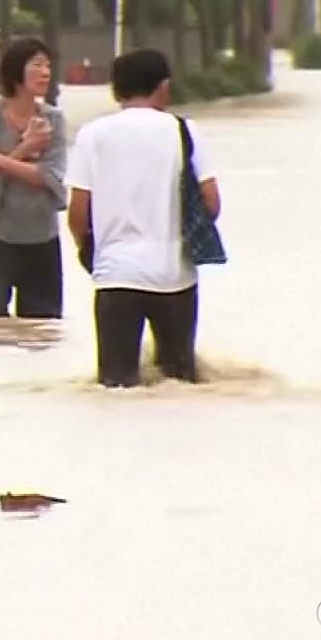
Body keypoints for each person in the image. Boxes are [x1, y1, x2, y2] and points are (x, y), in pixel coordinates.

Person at [65, 49, 222, 388]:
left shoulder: (93, 134)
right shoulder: (186, 132)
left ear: (115, 89)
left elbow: (77, 214)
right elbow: (211, 203)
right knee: (178, 385)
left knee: (115, 387)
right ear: (163, 87)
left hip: (116, 276)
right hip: (175, 277)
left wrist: (93, 254)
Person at [0, 37, 68, 319]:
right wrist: (27, 147)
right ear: (15, 70)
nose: (46, 72)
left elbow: (50, 179)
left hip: (41, 236)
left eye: (48, 66)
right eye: (37, 65)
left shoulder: (54, 120)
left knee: (42, 329)